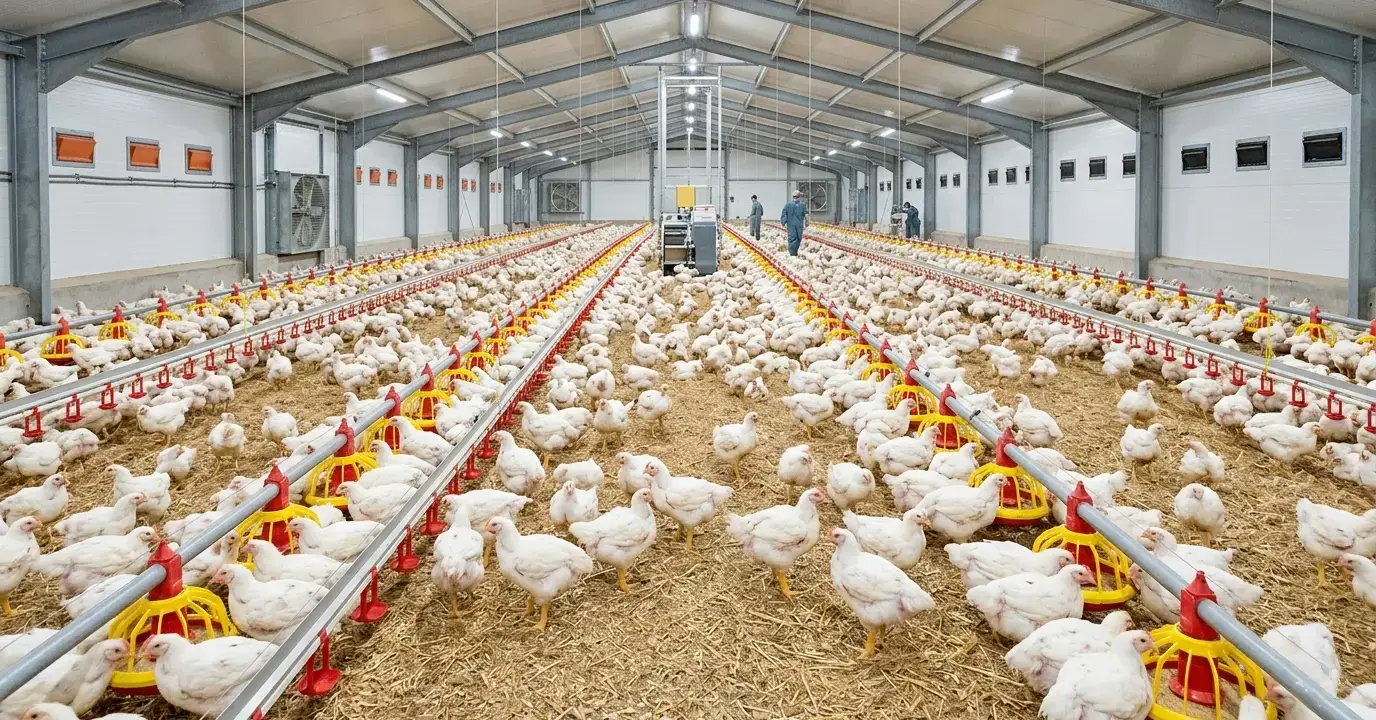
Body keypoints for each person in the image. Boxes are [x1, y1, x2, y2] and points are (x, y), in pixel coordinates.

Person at [780, 190, 808, 257]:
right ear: (799, 196)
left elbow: (784, 214)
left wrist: (783, 222)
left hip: (791, 224)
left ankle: (793, 253)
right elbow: (806, 214)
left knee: (793, 238)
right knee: (798, 238)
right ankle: (793, 252)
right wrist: (807, 222)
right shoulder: (803, 205)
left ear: (793, 197)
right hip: (799, 225)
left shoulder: (788, 205)